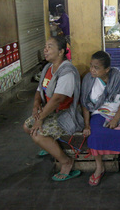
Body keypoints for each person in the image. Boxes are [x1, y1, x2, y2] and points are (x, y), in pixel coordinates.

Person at [23, 35, 84, 181]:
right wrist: (36, 105)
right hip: (50, 112)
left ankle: (66, 162)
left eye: (50, 47)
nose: (45, 50)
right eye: (45, 47)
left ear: (61, 51)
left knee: (37, 133)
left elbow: (57, 99)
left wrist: (40, 118)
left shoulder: (67, 71)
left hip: (65, 114)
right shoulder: (47, 68)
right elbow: (39, 90)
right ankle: (50, 147)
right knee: (26, 126)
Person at [81, 51, 120, 186]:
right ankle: (99, 167)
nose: (92, 70)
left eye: (96, 67)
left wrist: (115, 120)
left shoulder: (119, 79)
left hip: (119, 112)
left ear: (107, 69)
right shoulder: (89, 80)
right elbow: (85, 104)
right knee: (95, 136)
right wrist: (87, 125)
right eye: (91, 66)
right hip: (99, 113)